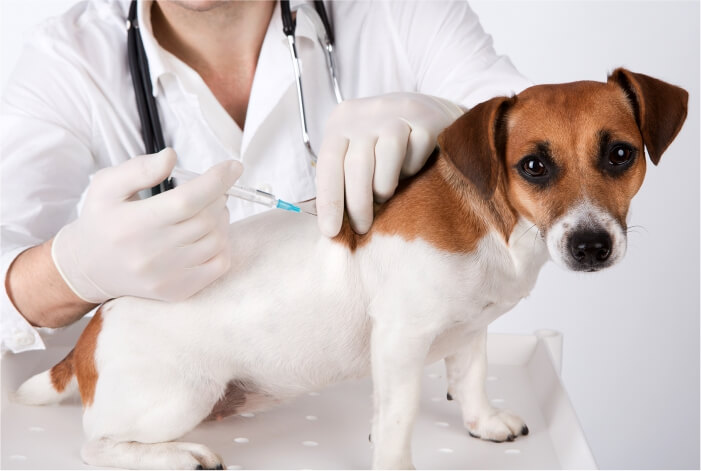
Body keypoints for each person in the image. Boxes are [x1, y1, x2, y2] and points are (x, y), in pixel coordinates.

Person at [0, 0, 531, 354]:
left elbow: (559, 131)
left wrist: (458, 120)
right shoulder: (69, 60)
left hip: (398, 391)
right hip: (188, 411)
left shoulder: (398, 12)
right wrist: (72, 271)